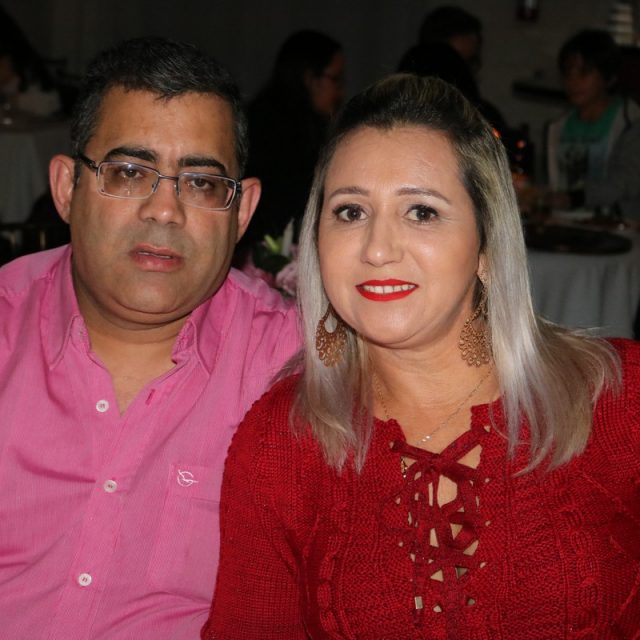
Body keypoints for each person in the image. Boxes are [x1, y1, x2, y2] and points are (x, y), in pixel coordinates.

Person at [203, 74, 639, 639]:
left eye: (422, 212)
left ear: (486, 246)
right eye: (350, 212)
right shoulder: (281, 446)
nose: (378, 248)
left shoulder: (619, 400)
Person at [0, 36, 299, 639]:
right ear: (66, 188)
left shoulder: (294, 369)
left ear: (242, 211)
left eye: (201, 183)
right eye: (130, 173)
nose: (165, 211)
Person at [238, 29, 344, 256]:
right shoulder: (281, 131)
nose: (339, 91)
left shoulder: (267, 118)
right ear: (310, 79)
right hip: (267, 252)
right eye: (335, 79)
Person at [547, 29, 640, 218]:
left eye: (584, 73)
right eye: (568, 73)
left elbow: (627, 181)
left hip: (618, 226)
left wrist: (574, 198)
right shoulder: (558, 126)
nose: (573, 81)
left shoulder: (630, 123)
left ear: (609, 77)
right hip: (565, 223)